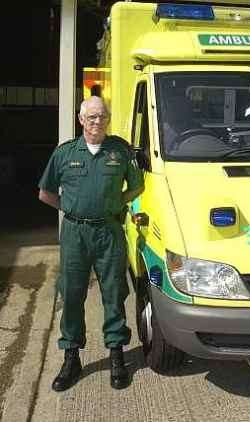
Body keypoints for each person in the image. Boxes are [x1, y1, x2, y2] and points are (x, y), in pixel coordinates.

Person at [38, 96, 144, 391]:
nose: (97, 122)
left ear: (107, 119)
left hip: (109, 232)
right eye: (92, 117)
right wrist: (73, 208)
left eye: (102, 116)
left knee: (114, 293)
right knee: (71, 295)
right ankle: (71, 358)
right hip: (74, 233)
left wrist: (112, 204)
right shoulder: (65, 153)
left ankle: (116, 355)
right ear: (81, 119)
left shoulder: (120, 152)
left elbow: (136, 186)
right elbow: (45, 193)